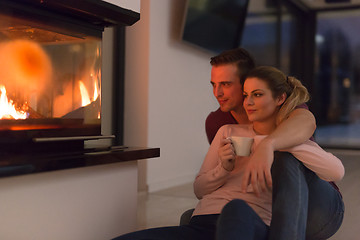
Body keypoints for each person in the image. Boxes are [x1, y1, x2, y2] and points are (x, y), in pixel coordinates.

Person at [111, 66, 344, 240]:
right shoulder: (227, 131)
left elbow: (336, 171)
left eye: (257, 94)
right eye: (245, 95)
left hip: (249, 222)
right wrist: (224, 168)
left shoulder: (290, 141)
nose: (248, 102)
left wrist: (269, 144)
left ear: (280, 98)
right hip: (202, 225)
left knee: (236, 208)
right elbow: (199, 189)